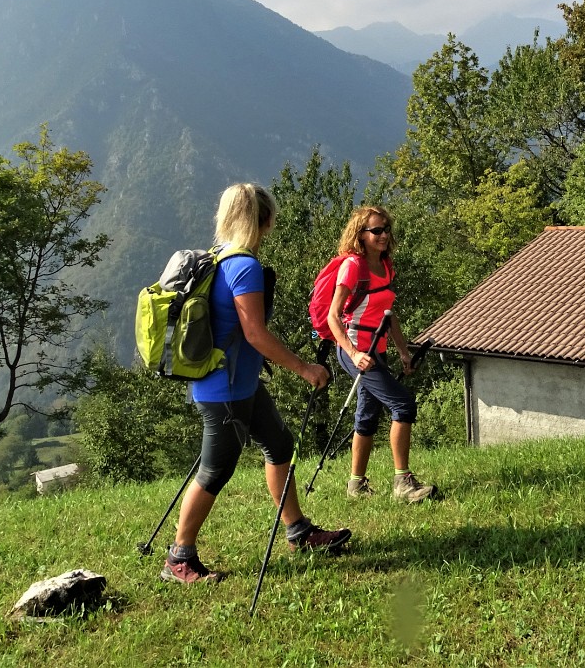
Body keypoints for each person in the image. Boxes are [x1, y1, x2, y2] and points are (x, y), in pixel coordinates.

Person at [164, 182, 352, 584]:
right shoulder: (245, 266)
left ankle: (299, 531)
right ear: (263, 220)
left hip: (237, 383)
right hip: (226, 391)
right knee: (216, 470)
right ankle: (179, 558)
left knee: (279, 445)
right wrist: (305, 368)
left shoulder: (217, 258)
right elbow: (256, 335)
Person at [327, 205, 438, 503]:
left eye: (386, 229)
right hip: (355, 350)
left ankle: (356, 485)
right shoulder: (353, 266)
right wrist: (352, 354)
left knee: (368, 414)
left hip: (378, 349)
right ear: (360, 235)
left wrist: (403, 351)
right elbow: (333, 317)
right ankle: (403, 484)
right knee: (403, 404)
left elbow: (388, 314)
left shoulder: (386, 265)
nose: (384, 235)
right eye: (376, 230)